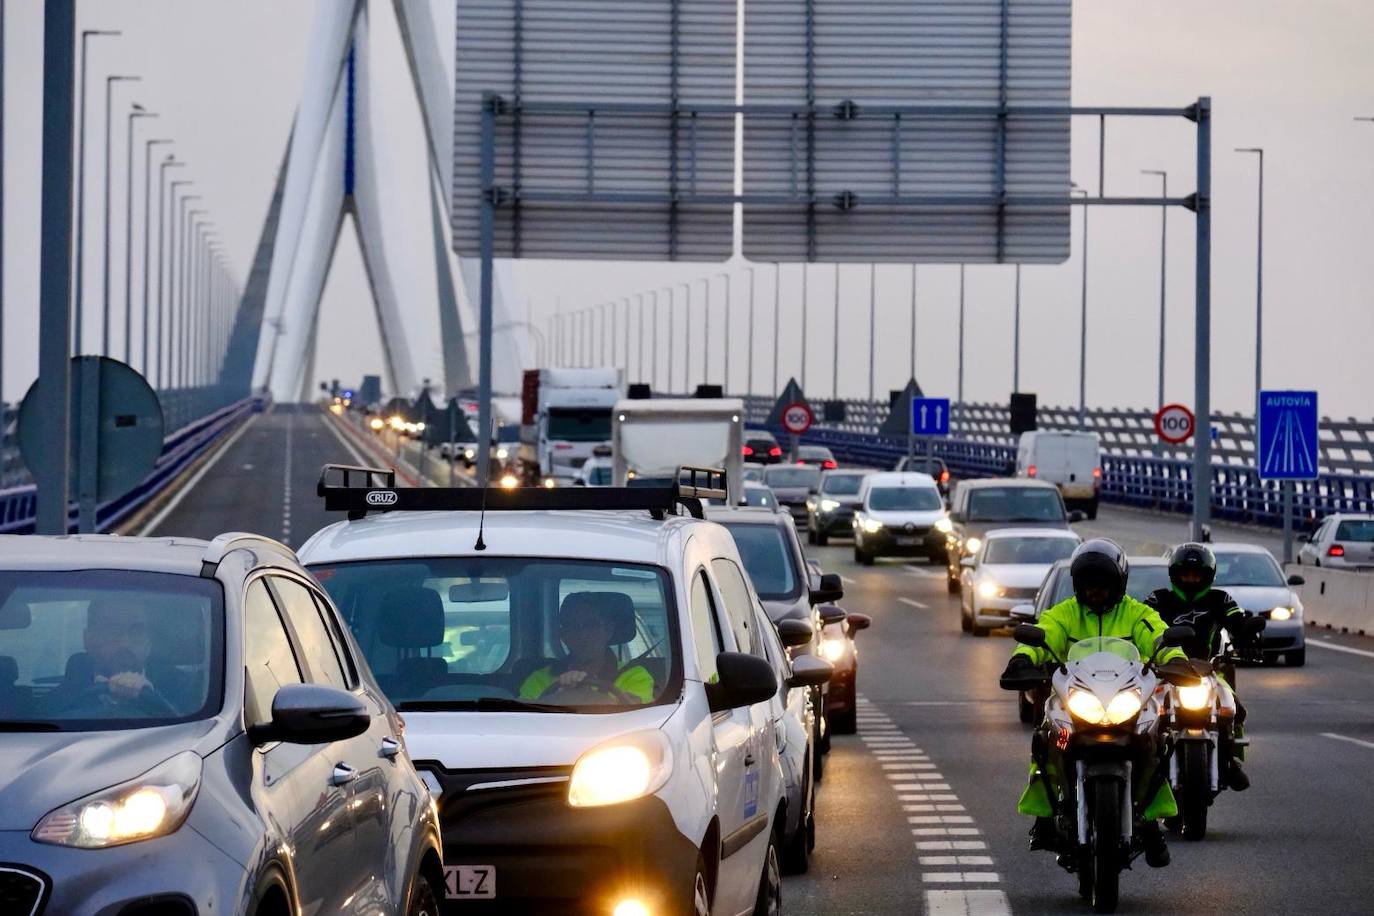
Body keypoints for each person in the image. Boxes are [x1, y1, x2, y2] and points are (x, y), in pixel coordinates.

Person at [1000, 538, 1187, 868]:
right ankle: (1045, 816)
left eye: (1103, 584)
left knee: (1154, 743)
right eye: (1088, 584)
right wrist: (1022, 658)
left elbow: (1160, 637)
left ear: (1119, 583)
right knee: (1047, 740)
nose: (1096, 590)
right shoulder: (1064, 614)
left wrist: (1176, 659)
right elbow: (1044, 634)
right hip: (1076, 705)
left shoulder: (1137, 614)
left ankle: (1149, 821)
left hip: (1126, 702)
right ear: (1078, 584)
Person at [1144, 542, 1261, 791]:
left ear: (1208, 575)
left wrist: (1247, 636)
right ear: (1175, 574)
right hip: (1164, 673)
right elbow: (1141, 625)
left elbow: (1236, 621)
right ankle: (1144, 762)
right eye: (1185, 573)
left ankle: (1228, 760)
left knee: (1236, 709)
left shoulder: (1220, 598)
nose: (1190, 579)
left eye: (1196, 574)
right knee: (1141, 714)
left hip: (1209, 671)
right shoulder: (1158, 599)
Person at [49, 598, 188, 716]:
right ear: (88, 639)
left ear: (149, 641)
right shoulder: (59, 701)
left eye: (137, 631)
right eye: (112, 630)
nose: (125, 643)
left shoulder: (189, 694)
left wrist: (153, 699)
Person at [519, 592, 655, 704]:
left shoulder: (635, 675)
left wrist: (575, 695)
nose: (582, 634)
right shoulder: (539, 678)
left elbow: (636, 714)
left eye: (591, 625)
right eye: (572, 626)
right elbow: (522, 719)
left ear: (608, 630)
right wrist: (558, 694)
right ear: (562, 634)